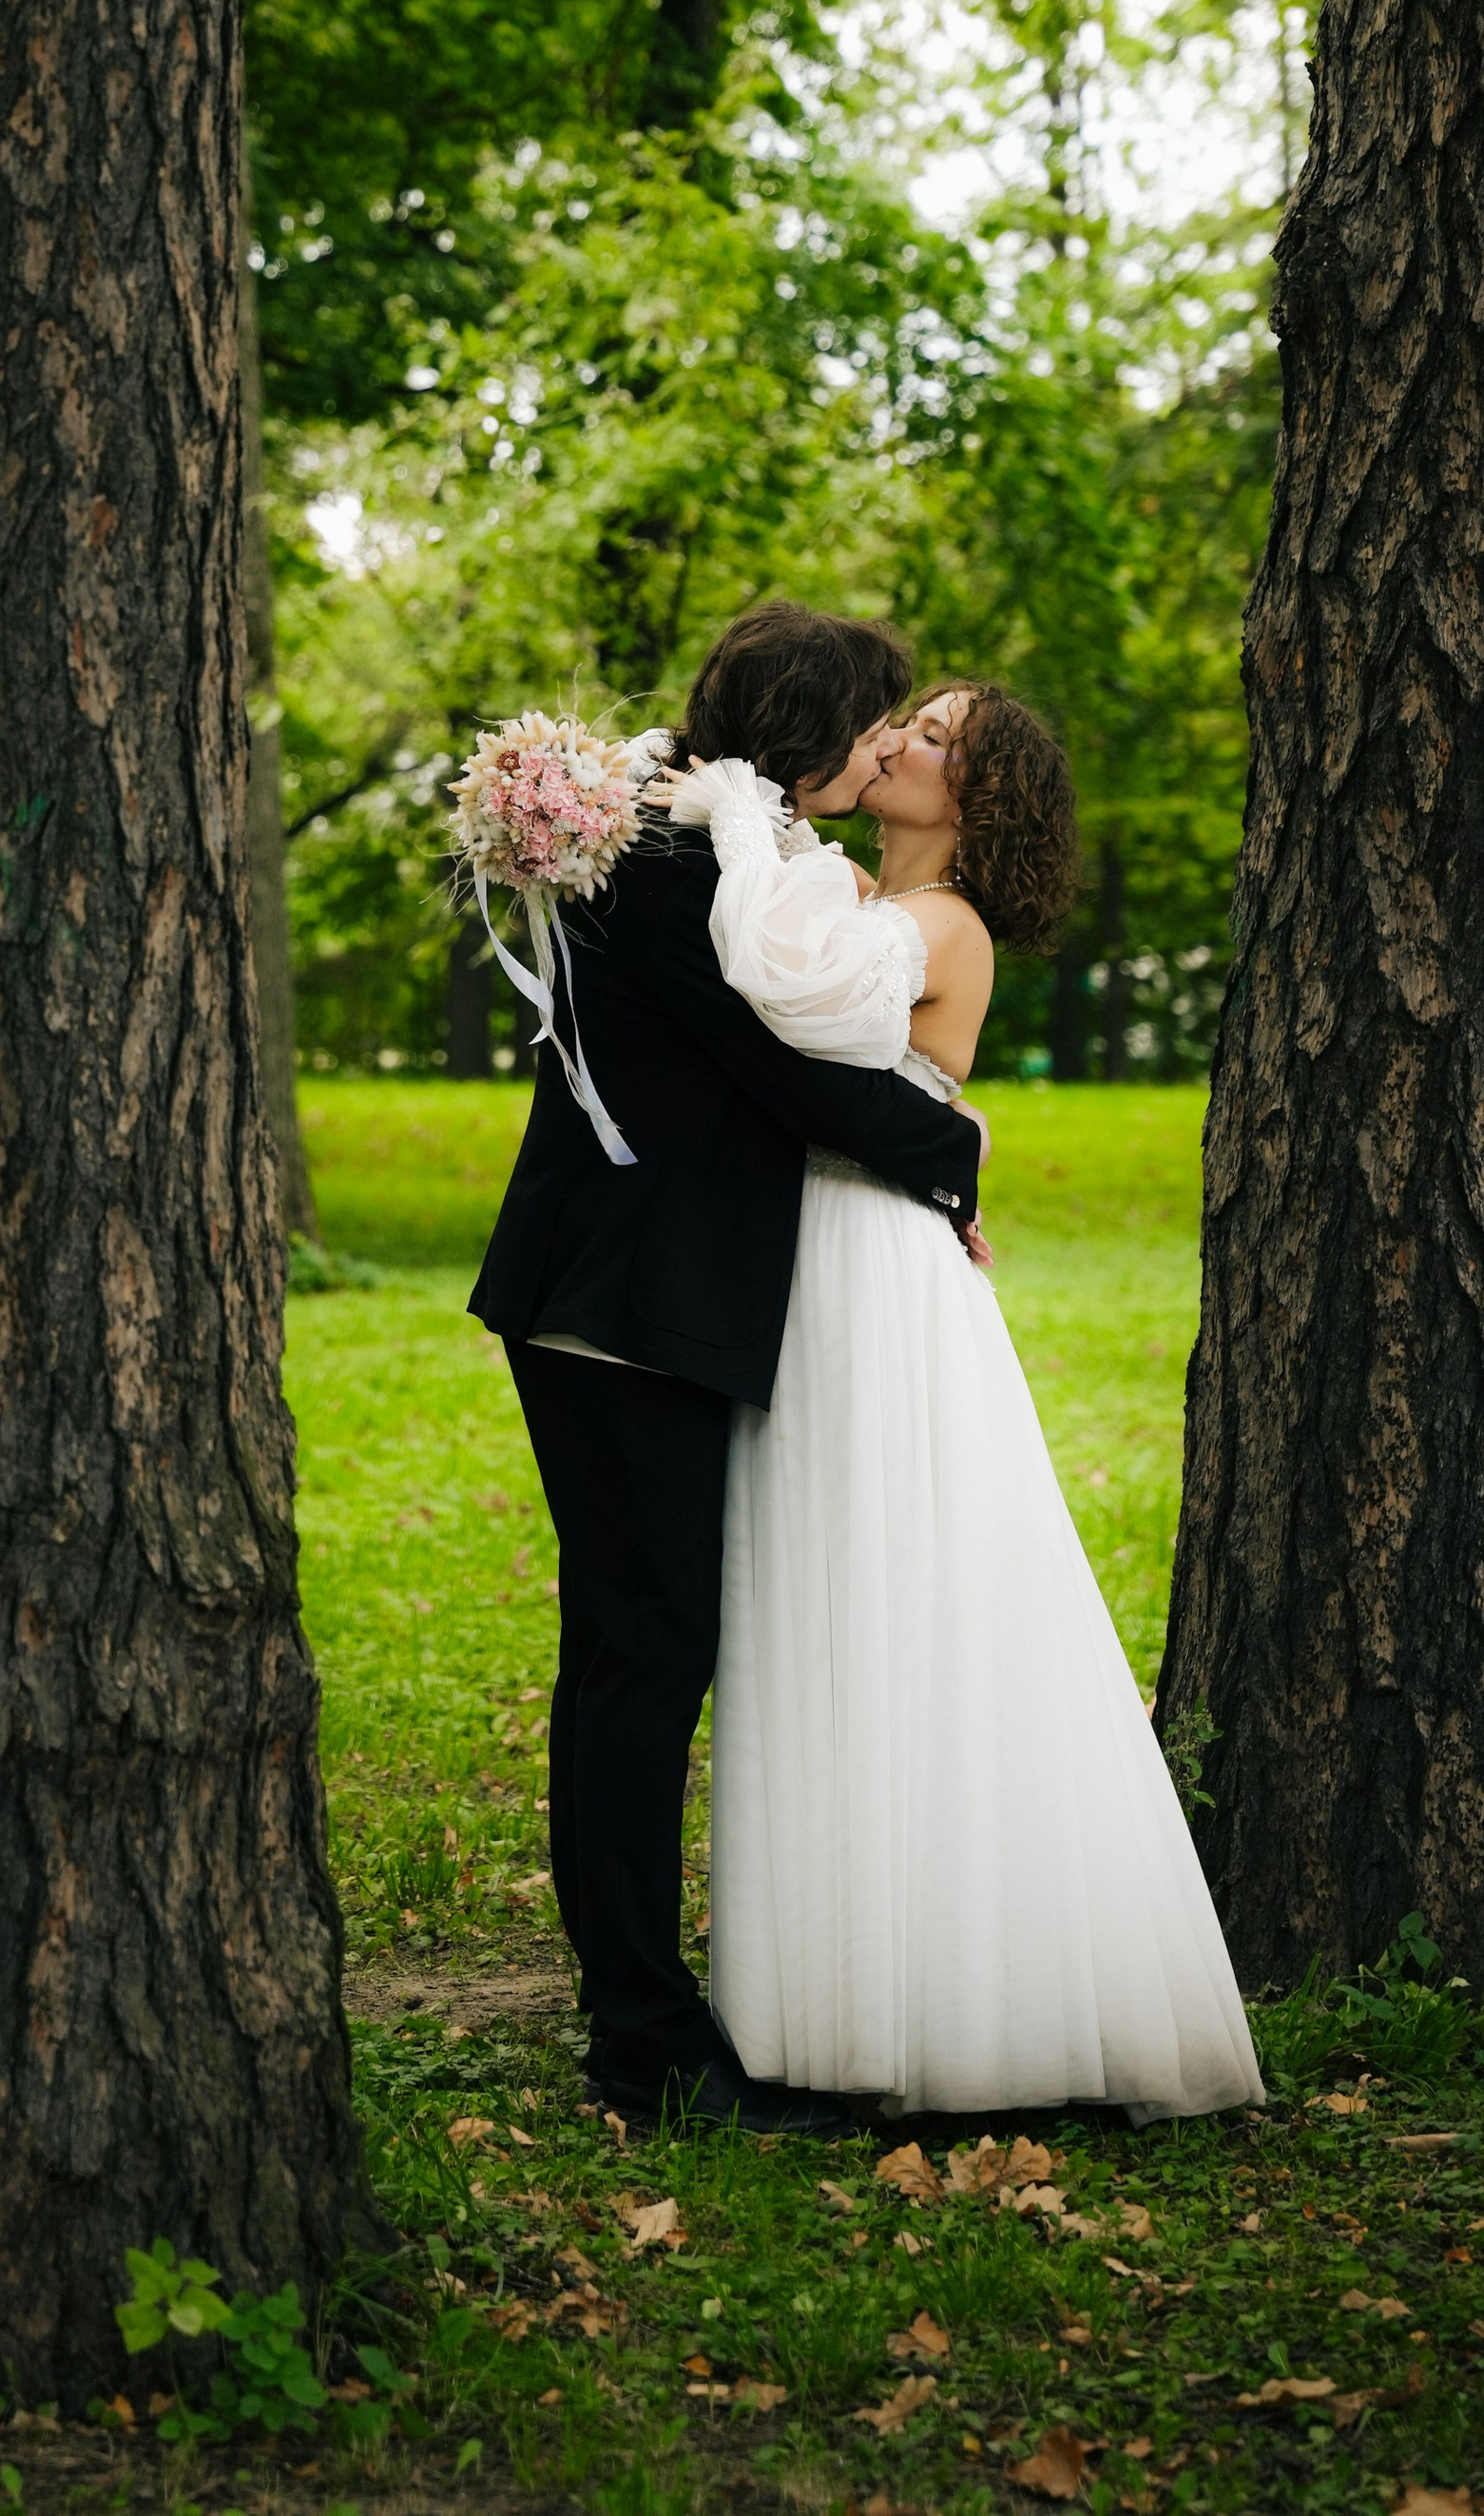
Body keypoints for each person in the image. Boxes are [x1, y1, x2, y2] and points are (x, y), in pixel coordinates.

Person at [697, 682, 1263, 2119]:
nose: (903, 738)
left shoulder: (940, 925)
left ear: (981, 799)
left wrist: (732, 816)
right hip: (812, 1257)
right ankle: (822, 1992)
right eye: (908, 714)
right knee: (815, 1587)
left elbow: (784, 996)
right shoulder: (846, 888)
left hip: (876, 1273)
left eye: (943, 738)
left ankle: (948, 1998)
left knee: (901, 1589)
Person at [469, 603, 989, 2133]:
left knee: (647, 1653)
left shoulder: (705, 849)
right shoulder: (679, 868)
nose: (887, 746)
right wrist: (951, 1144)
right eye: (875, 722)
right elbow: (790, 1083)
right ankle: (645, 2045)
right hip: (619, 1304)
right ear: (809, 733)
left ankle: (646, 2018)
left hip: (633, 1294)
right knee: (641, 1661)